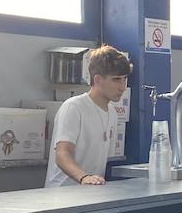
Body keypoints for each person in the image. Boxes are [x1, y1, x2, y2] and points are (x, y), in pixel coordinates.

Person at [45, 46, 130, 188]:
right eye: (116, 80)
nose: (122, 87)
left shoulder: (112, 113)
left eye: (124, 79)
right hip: (62, 195)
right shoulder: (74, 107)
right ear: (97, 80)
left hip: (91, 193)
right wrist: (84, 177)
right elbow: (62, 153)